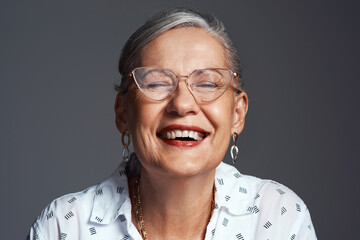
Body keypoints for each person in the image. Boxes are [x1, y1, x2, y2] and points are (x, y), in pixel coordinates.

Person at [28, 7, 317, 240]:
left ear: (237, 115)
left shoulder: (279, 216)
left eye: (206, 83)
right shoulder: (64, 227)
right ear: (123, 114)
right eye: (155, 83)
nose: (182, 104)